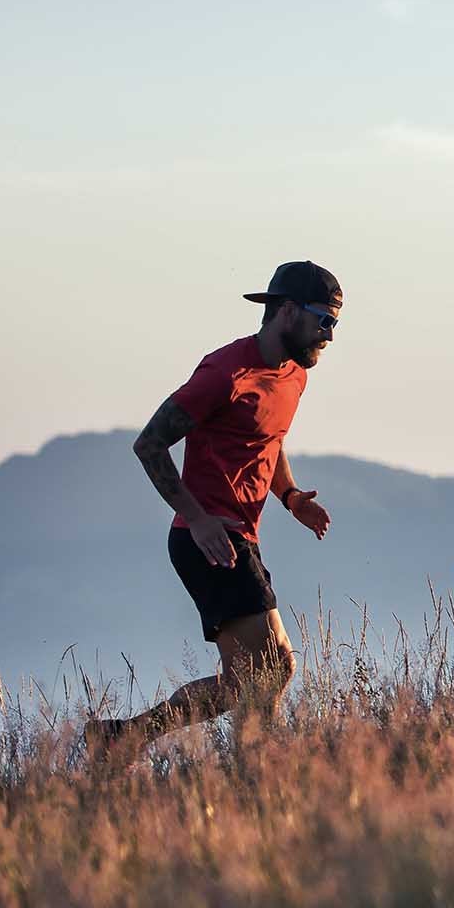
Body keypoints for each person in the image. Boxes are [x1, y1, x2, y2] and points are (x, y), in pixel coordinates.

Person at [84, 260, 341, 767]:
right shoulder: (225, 373)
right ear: (287, 312)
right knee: (273, 670)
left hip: (241, 535)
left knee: (250, 681)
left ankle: (124, 739)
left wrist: (289, 498)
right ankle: (254, 774)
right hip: (208, 539)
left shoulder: (293, 376)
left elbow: (269, 440)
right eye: (324, 321)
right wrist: (198, 518)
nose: (329, 335)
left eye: (335, 323)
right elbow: (150, 444)